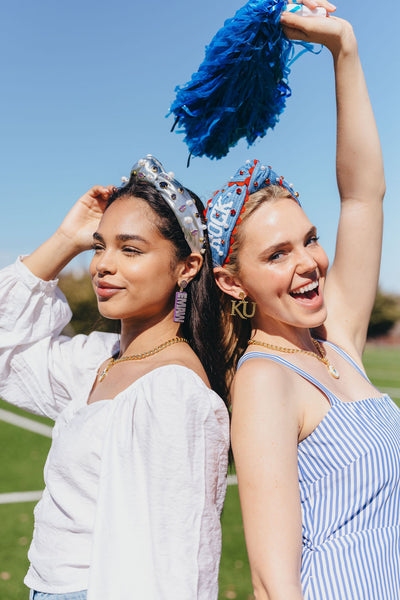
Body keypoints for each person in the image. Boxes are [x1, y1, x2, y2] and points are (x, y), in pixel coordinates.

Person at [205, 3, 399, 599]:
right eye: (276, 254)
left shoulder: (335, 338)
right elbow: (271, 581)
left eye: (309, 240)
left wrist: (345, 51)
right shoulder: (265, 379)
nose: (309, 262)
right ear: (233, 282)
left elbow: (364, 196)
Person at [0, 155, 230, 600]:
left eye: (130, 249)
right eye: (99, 246)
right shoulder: (98, 360)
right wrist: (67, 239)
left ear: (187, 267)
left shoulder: (175, 391)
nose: (102, 265)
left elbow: (178, 566)